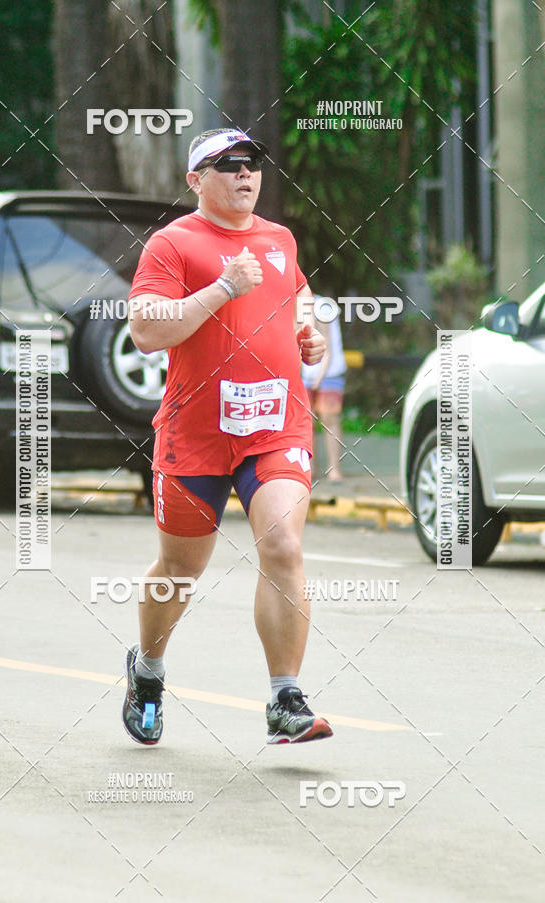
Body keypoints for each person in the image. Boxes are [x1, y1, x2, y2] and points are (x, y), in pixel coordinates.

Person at [123, 127, 333, 746]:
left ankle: (284, 698)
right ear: (195, 180)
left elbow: (297, 297)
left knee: (283, 546)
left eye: (252, 164)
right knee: (180, 570)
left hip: (275, 426)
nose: (245, 174)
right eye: (227, 165)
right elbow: (146, 332)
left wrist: (309, 333)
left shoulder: (278, 239)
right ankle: (149, 670)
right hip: (196, 433)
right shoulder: (172, 245)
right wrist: (221, 288)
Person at [301, 309, 347, 482]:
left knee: (330, 419)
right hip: (308, 374)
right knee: (307, 421)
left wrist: (318, 379)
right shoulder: (296, 306)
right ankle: (310, 468)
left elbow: (327, 348)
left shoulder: (323, 307)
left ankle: (335, 469)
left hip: (330, 373)